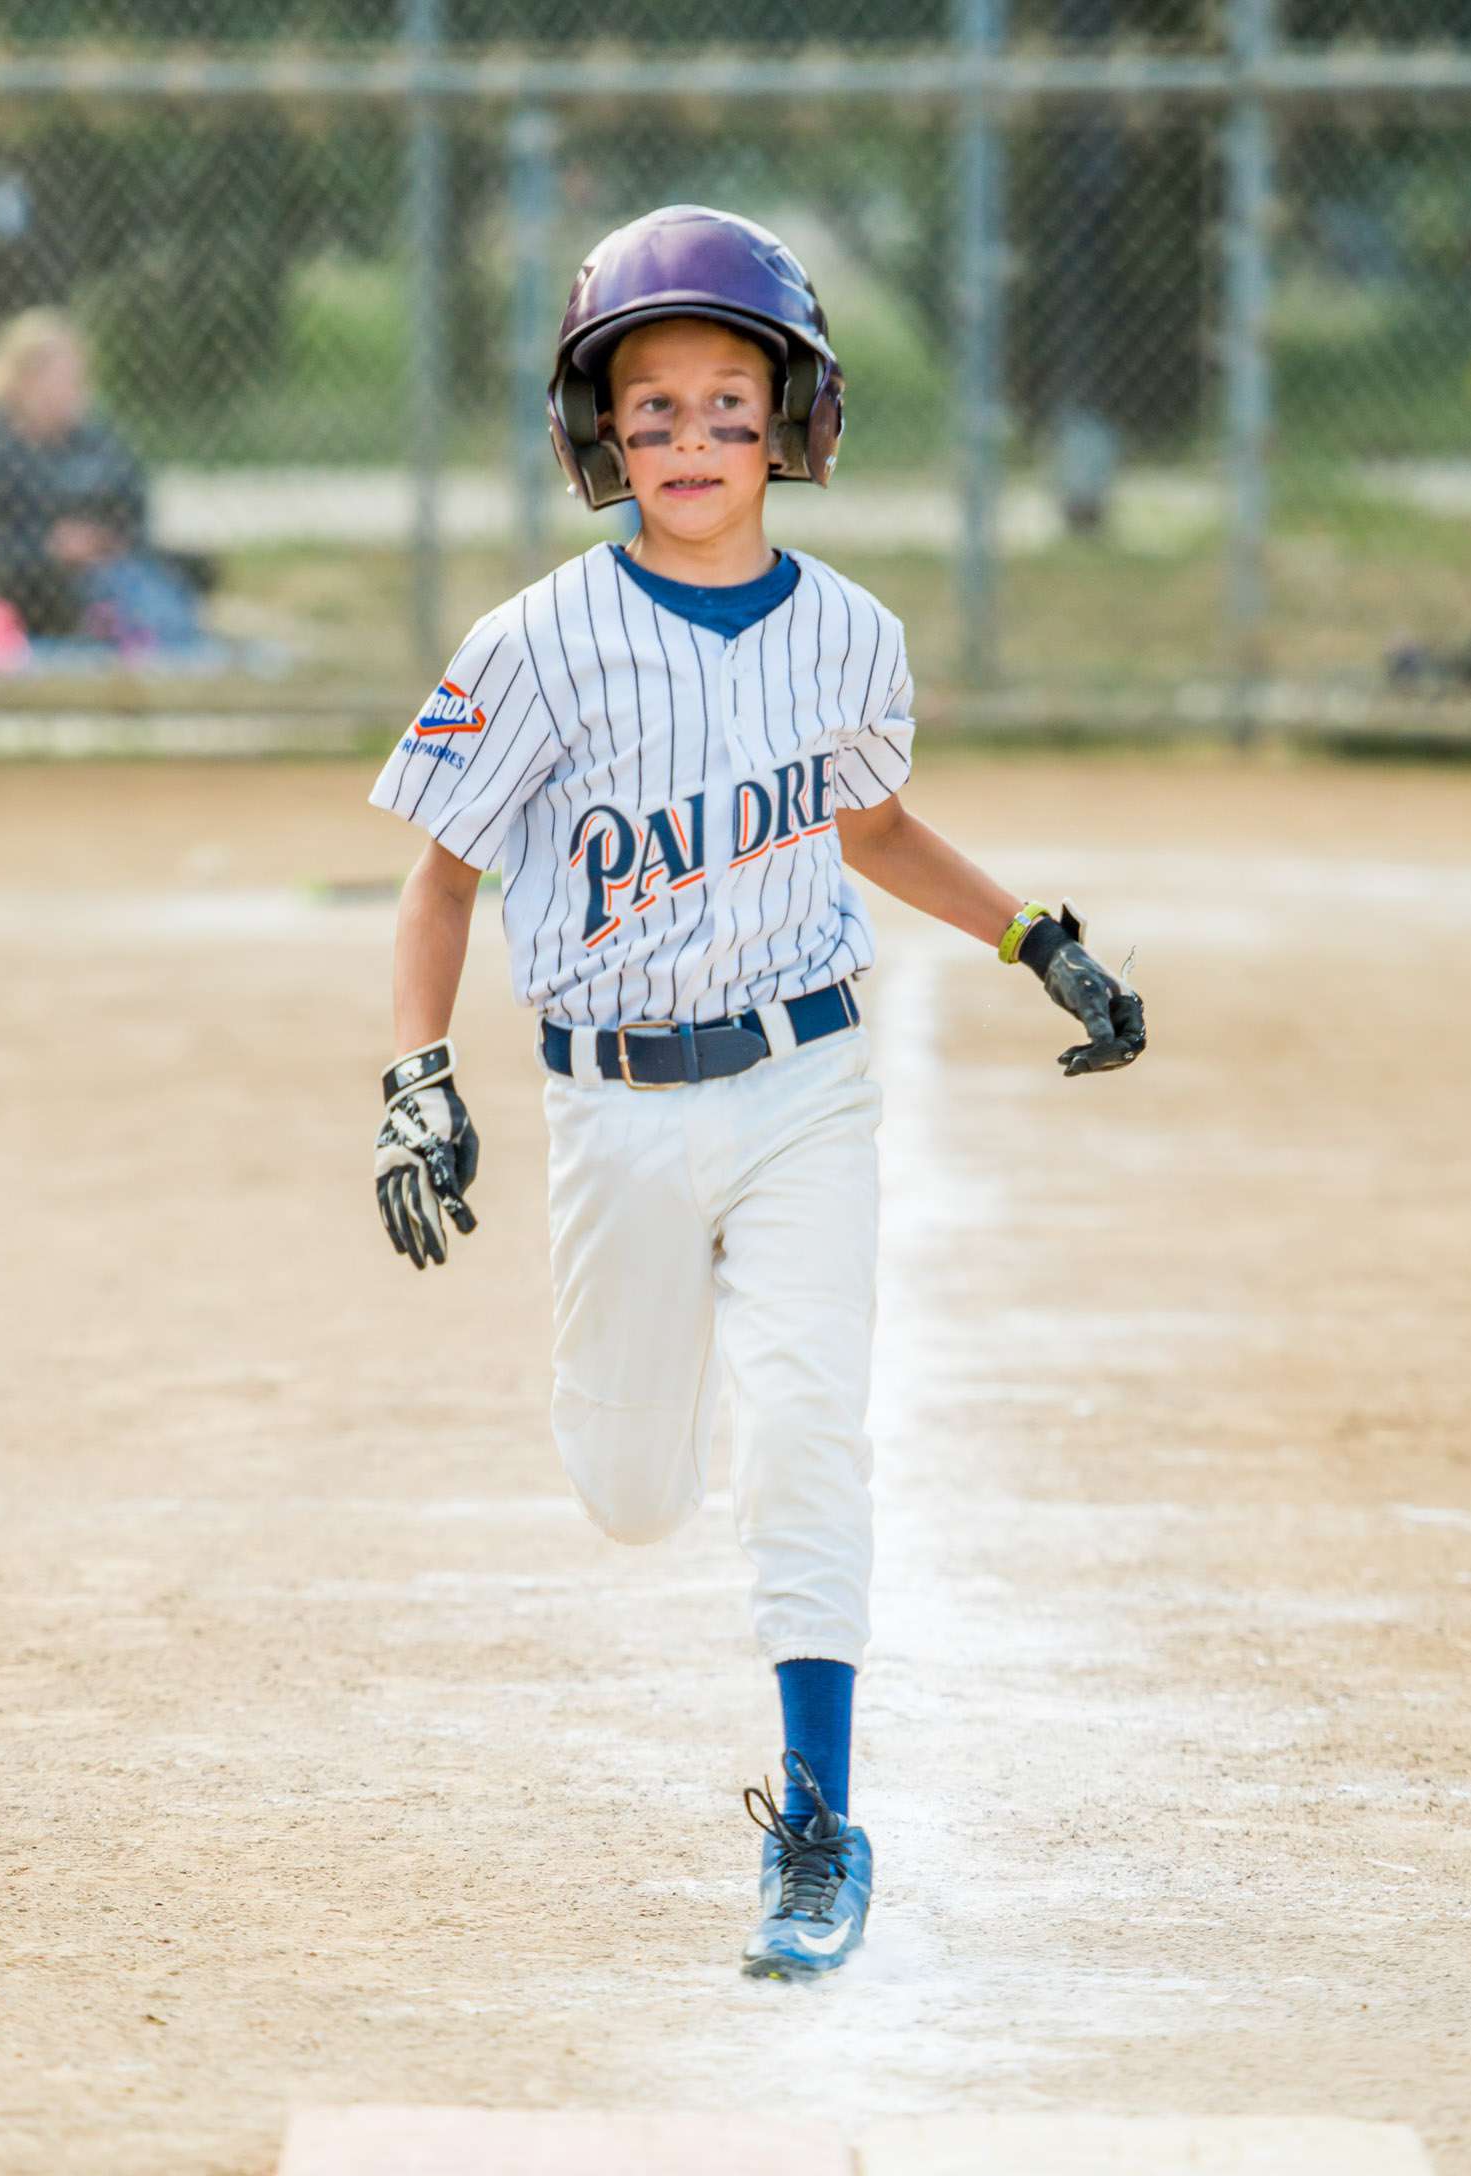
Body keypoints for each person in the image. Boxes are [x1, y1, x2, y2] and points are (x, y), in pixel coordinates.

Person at [366, 206, 1146, 1982]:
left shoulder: (854, 639)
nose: (695, 441)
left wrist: (1038, 938)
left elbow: (870, 828)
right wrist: (416, 1074)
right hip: (615, 1111)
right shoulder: (536, 644)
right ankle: (671, 1356)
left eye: (732, 402)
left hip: (808, 1077)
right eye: (654, 411)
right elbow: (438, 878)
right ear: (596, 437)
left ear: (795, 420)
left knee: (807, 1435)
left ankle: (817, 1820)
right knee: (635, 1491)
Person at [0, 308, 210, 650]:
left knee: (176, 576)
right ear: (24, 379)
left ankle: (171, 655)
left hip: (104, 573)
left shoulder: (94, 439)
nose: (76, 391)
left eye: (79, 379)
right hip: (17, 583)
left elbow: (134, 507)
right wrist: (47, 550)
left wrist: (102, 541)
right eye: (63, 380)